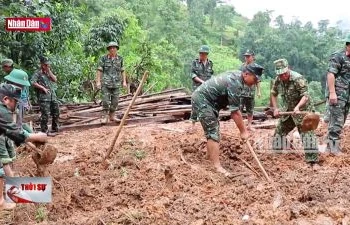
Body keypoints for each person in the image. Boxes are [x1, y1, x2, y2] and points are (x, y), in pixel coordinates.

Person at [191, 63, 264, 176]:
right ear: (246, 74)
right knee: (213, 132)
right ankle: (216, 166)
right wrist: (243, 131)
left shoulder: (238, 77)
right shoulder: (236, 82)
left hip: (210, 102)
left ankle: (209, 158)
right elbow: (235, 112)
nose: (255, 83)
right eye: (254, 79)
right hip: (203, 100)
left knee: (213, 131)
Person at [0, 83, 47, 210]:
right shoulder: (2, 111)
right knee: (1, 168)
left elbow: (18, 128)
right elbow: (16, 132)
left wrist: (32, 137)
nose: (16, 105)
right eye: (15, 102)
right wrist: (36, 136)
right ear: (6, 99)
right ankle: (1, 202)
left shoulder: (4, 109)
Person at [271, 58, 318, 164]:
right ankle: (275, 157)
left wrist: (297, 107)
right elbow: (273, 94)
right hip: (289, 111)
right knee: (279, 132)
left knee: (307, 135)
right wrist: (275, 108)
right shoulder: (278, 80)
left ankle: (312, 162)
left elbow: (305, 97)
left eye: (284, 73)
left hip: (303, 111)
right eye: (280, 74)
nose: (282, 76)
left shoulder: (298, 79)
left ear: (289, 69)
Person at [325, 34, 350, 154]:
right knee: (336, 121)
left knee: (341, 121)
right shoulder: (338, 56)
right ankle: (333, 148)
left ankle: (331, 147)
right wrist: (332, 93)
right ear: (347, 45)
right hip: (338, 94)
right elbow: (331, 74)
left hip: (347, 97)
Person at [96, 41, 127, 123]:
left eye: (114, 48)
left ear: (117, 49)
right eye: (111, 48)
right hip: (106, 83)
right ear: (108, 49)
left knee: (115, 101)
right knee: (105, 101)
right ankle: (104, 117)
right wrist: (98, 81)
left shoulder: (120, 59)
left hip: (116, 83)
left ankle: (112, 116)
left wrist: (124, 82)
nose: (112, 49)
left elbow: (123, 70)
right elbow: (99, 70)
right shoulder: (104, 58)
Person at [31, 57, 59, 136]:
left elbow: (55, 80)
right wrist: (42, 88)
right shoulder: (38, 73)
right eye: (46, 65)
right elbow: (33, 82)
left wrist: (49, 71)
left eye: (48, 65)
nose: (47, 66)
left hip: (52, 96)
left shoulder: (48, 72)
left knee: (56, 112)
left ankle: (55, 128)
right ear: (42, 65)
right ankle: (45, 131)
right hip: (44, 98)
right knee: (45, 115)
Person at [188, 45, 214, 132]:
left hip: (207, 88)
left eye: (203, 54)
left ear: (206, 54)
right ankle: (193, 125)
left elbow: (211, 75)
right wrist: (202, 82)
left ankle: (207, 124)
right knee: (195, 105)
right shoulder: (195, 63)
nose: (201, 55)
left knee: (208, 105)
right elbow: (193, 75)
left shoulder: (210, 63)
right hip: (197, 87)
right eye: (200, 53)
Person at [239, 50, 261, 131]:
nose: (246, 58)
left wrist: (259, 91)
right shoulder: (242, 66)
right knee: (239, 109)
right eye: (246, 56)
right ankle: (240, 126)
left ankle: (249, 125)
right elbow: (239, 78)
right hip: (241, 91)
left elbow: (258, 80)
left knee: (250, 109)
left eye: (248, 56)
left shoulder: (256, 67)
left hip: (251, 92)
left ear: (253, 57)